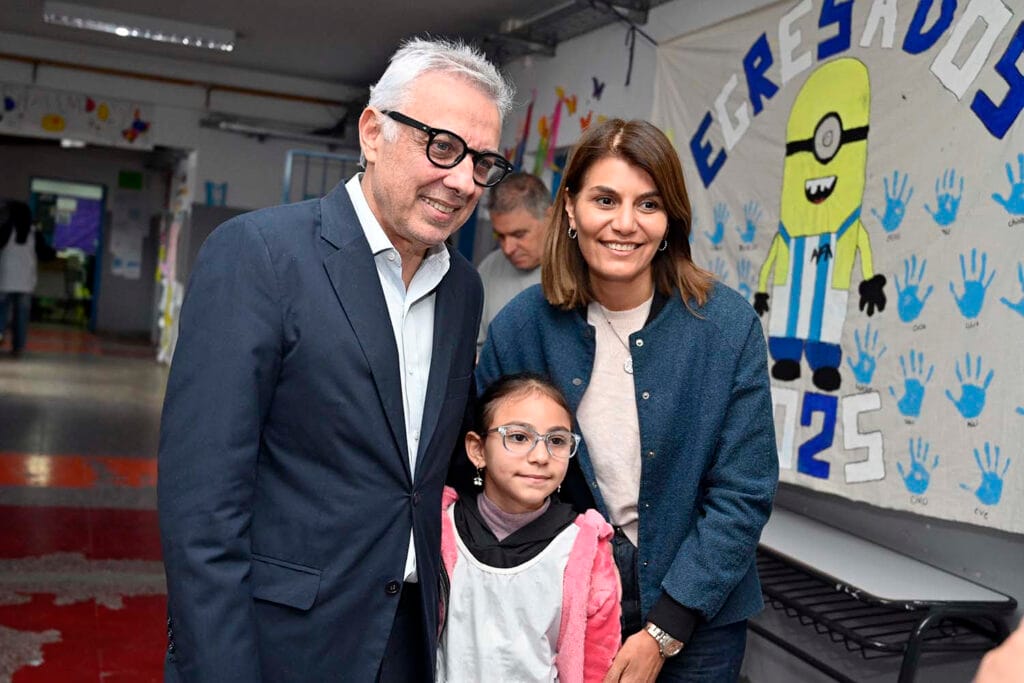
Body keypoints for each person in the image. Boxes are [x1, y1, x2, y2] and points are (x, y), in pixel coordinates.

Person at [158, 38, 514, 682]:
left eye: (483, 162)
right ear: (373, 132)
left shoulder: (463, 289)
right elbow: (202, 507)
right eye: (442, 147)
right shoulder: (260, 256)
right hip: (279, 643)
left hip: (407, 638)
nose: (464, 181)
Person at [474, 119, 778, 682]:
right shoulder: (520, 327)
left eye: (648, 204)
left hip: (697, 612)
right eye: (605, 199)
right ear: (570, 208)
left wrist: (666, 628)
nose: (625, 223)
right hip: (557, 598)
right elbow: (481, 465)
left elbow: (743, 491)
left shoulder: (725, 326)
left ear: (670, 220)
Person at [438, 372, 621, 683]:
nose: (540, 456)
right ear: (478, 449)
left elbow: (596, 664)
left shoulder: (583, 550)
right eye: (519, 437)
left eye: (557, 441)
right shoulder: (441, 528)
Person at [476, 172, 551, 351]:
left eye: (519, 234)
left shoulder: (581, 266)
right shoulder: (489, 267)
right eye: (500, 236)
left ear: (551, 216)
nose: (508, 249)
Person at [0, 201, 38, 357]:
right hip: (26, 282)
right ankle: (18, 347)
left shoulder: (6, 229)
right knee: (21, 318)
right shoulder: (34, 232)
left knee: (1, 315)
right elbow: (45, 252)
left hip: (5, 280)